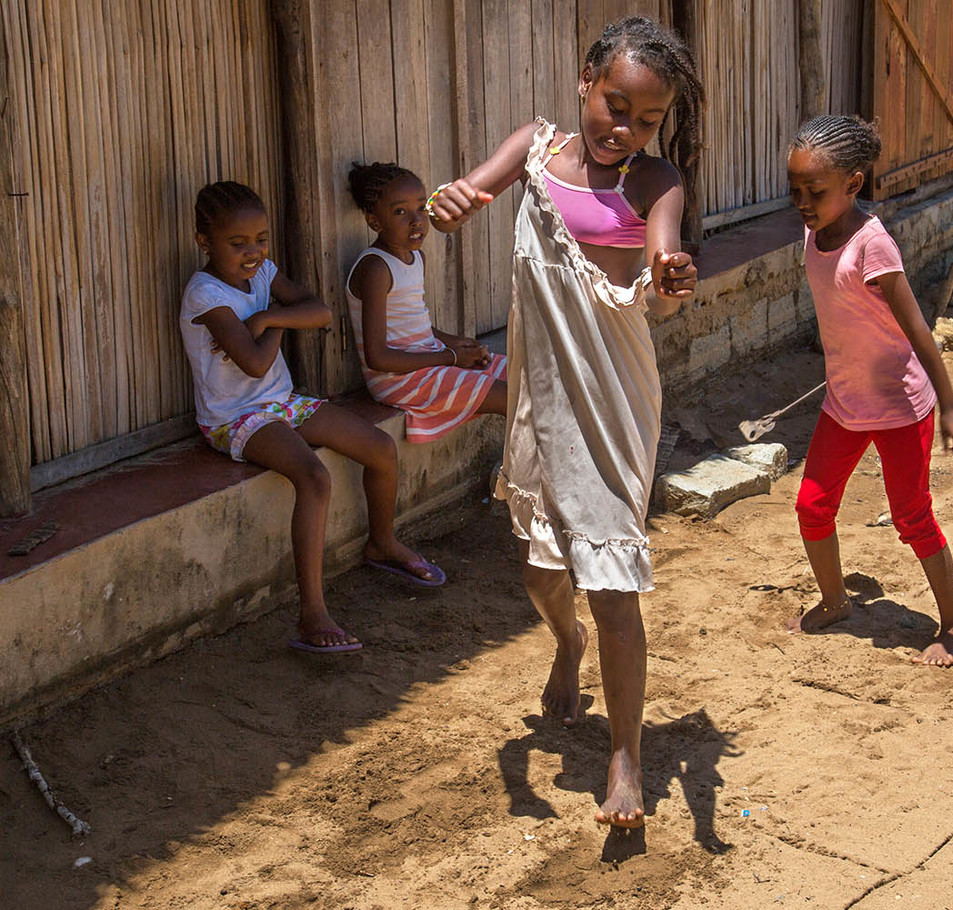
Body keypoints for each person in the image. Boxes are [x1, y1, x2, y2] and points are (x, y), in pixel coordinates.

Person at [427, 17, 703, 827]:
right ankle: (566, 645)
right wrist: (453, 202)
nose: (626, 129)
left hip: (614, 399)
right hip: (540, 398)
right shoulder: (536, 151)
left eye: (647, 119)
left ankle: (627, 759)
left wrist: (671, 273)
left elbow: (665, 255)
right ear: (586, 80)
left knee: (611, 581)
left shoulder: (656, 183)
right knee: (542, 570)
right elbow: (469, 192)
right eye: (615, 106)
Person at [181, 181, 445, 654]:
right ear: (205, 242)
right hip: (234, 417)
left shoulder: (262, 276)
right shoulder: (204, 294)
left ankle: (381, 542)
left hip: (281, 401)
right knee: (314, 477)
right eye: (237, 243)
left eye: (261, 240)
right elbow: (256, 364)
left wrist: (267, 319)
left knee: (380, 449)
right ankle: (312, 613)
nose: (253, 253)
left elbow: (320, 312)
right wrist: (282, 314)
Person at [785, 115, 953, 667]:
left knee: (912, 516)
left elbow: (919, 330)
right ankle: (834, 600)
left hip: (899, 407)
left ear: (854, 183)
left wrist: (952, 408)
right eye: (794, 190)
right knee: (812, 506)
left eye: (815, 191)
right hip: (845, 404)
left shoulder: (873, 247)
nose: (802, 201)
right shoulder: (814, 232)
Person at [344, 162, 508, 441]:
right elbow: (378, 357)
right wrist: (451, 357)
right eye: (400, 212)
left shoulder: (415, 257)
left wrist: (453, 342)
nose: (416, 220)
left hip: (429, 360)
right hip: (399, 380)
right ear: (374, 222)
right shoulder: (376, 268)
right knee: (512, 398)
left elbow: (412, 326)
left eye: (421, 208)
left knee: (521, 374)